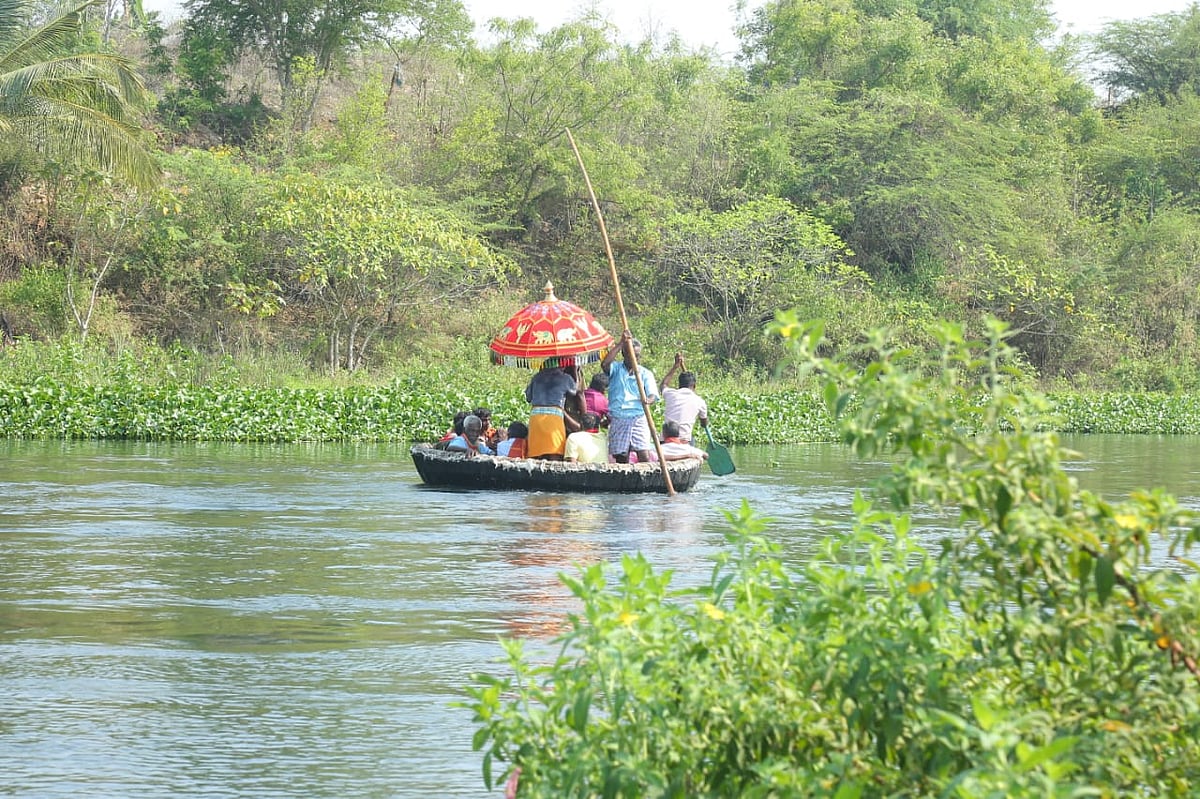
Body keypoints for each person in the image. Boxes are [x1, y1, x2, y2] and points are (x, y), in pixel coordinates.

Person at [602, 331, 659, 464]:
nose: (635, 359)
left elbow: (653, 394)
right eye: (632, 355)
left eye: (637, 356)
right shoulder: (616, 369)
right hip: (619, 417)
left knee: (644, 455)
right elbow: (605, 365)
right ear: (624, 355)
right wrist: (621, 343)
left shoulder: (645, 373)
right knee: (621, 456)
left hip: (638, 416)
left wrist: (648, 400)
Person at [524, 363, 583, 460]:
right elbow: (575, 391)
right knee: (555, 453)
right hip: (554, 418)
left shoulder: (536, 377)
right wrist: (575, 371)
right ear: (562, 366)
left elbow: (528, 397)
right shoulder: (565, 378)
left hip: (536, 417)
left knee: (535, 454)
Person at [661, 352, 709, 445]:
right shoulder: (700, 401)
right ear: (694, 386)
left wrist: (675, 367)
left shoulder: (671, 394)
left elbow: (663, 385)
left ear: (679, 385)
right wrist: (704, 421)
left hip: (664, 440)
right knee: (692, 439)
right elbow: (704, 424)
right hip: (684, 441)